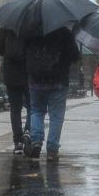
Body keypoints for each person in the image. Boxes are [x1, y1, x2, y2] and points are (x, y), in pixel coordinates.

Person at [24, 27, 81, 161]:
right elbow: (75, 55)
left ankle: (36, 141)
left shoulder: (31, 31)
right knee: (56, 116)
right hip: (58, 81)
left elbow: (23, 52)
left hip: (36, 80)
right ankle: (52, 150)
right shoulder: (64, 32)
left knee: (36, 111)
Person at [0, 28, 31, 154]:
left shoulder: (7, 26)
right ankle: (28, 132)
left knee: (15, 110)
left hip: (11, 75)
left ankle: (18, 142)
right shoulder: (31, 25)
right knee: (32, 108)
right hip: (28, 74)